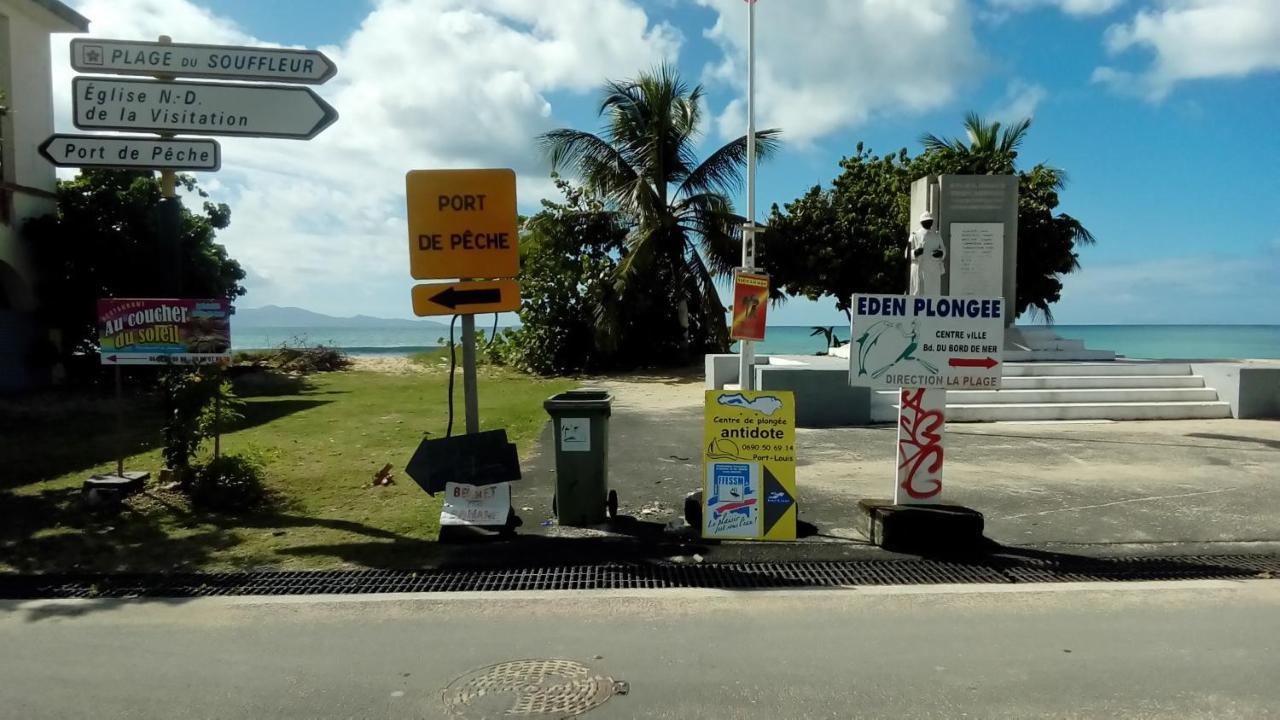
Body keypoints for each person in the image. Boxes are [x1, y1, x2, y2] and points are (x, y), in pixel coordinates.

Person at [906, 211, 946, 295]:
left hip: (933, 271)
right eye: (926, 221)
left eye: (930, 221)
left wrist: (941, 253)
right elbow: (907, 253)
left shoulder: (937, 236)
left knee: (933, 295)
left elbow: (943, 250)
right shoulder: (915, 235)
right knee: (918, 295)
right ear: (921, 222)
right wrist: (915, 252)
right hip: (919, 270)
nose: (929, 223)